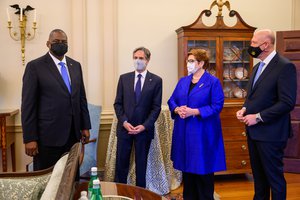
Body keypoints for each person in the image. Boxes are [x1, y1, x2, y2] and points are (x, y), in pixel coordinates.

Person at [236, 29, 297, 200]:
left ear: (265, 45)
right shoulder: (257, 67)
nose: (251, 46)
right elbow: (253, 96)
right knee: (259, 179)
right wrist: (244, 109)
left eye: (254, 43)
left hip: (272, 134)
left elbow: (287, 103)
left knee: (274, 179)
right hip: (254, 133)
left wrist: (257, 117)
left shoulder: (285, 66)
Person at [21, 29, 91, 171]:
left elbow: (81, 98)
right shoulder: (35, 67)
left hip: (73, 135)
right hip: (47, 138)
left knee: (71, 178)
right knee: (48, 181)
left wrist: (85, 126)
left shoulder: (75, 65)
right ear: (48, 44)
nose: (60, 44)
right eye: (56, 42)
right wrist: (29, 138)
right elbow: (28, 105)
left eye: (64, 42)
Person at [168, 48, 226, 200]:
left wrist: (194, 111)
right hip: (184, 133)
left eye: (192, 61)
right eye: (188, 61)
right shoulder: (183, 81)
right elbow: (172, 100)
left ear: (201, 63)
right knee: (188, 171)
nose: (188, 64)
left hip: (203, 133)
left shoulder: (212, 82)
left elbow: (217, 105)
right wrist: (176, 108)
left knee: (203, 170)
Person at [114, 47, 162, 188]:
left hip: (144, 130)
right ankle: (120, 195)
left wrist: (144, 126)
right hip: (125, 129)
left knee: (141, 166)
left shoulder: (156, 80)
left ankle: (140, 194)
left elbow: (156, 107)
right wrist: (124, 122)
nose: (137, 61)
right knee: (121, 165)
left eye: (141, 58)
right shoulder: (124, 78)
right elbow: (117, 103)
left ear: (147, 60)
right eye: (135, 57)